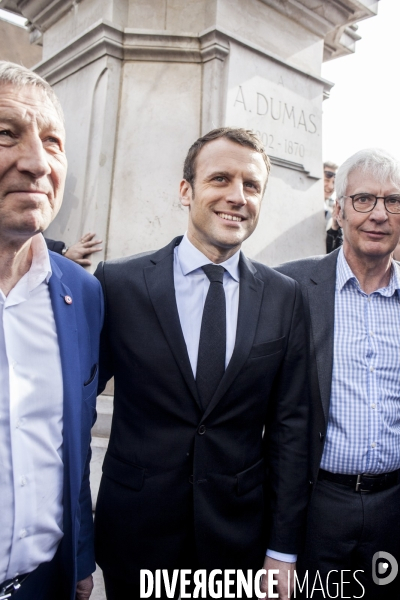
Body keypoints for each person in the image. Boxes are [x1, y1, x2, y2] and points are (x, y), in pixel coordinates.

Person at [94, 127, 309, 599]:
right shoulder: (119, 284)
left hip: (239, 545)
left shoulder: (284, 297)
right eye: (220, 179)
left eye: (252, 186)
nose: (237, 197)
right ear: (185, 190)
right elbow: (76, 406)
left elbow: (291, 430)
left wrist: (284, 550)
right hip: (135, 539)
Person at [276, 148, 400, 599]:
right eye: (364, 199)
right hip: (318, 508)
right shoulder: (290, 288)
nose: (379, 215)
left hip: (393, 509)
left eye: (393, 201)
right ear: (339, 208)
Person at [0, 61, 103, 600]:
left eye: (53, 141)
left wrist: (80, 558)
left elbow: (73, 443)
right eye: (5, 133)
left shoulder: (81, 293)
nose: (37, 163)